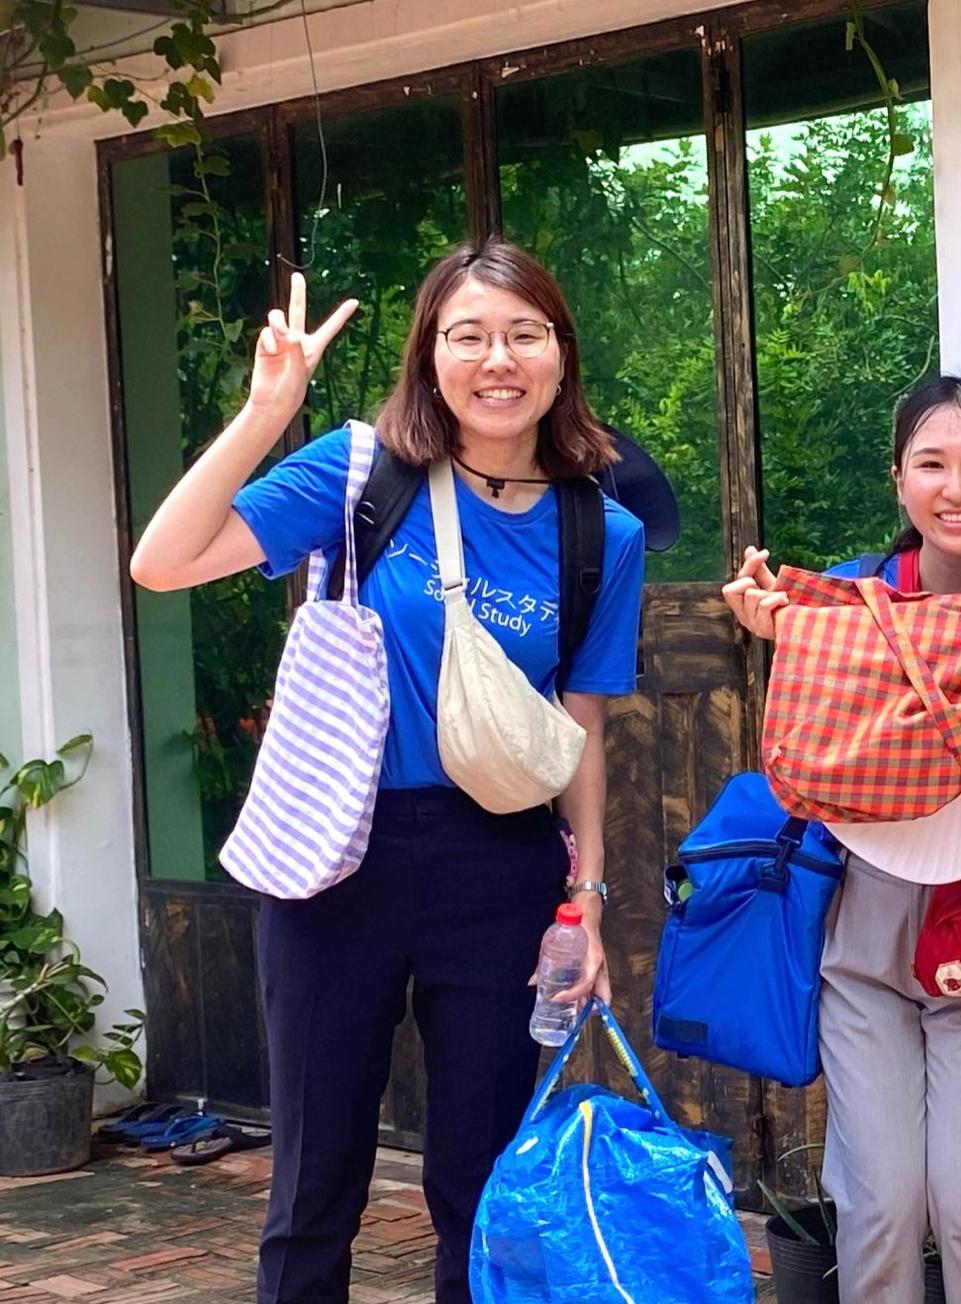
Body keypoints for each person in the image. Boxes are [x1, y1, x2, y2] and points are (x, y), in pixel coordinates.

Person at [129, 239, 646, 1304]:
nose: (497, 360)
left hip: (497, 863)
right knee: (316, 1176)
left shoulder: (603, 529)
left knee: (479, 1179)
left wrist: (587, 896)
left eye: (524, 334)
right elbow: (164, 561)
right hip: (337, 857)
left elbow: (581, 722)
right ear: (429, 354)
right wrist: (265, 413)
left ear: (560, 354)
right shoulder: (363, 472)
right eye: (469, 335)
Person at [721, 374, 961, 1303]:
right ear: (899, 479)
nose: (956, 488)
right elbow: (808, 754)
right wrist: (775, 638)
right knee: (877, 1201)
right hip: (862, 916)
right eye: (932, 464)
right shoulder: (851, 597)